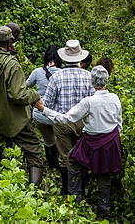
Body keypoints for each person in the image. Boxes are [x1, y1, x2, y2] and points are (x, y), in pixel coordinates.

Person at [36, 64, 123, 218]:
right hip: (111, 141)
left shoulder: (89, 102)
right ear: (107, 81)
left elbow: (66, 119)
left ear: (91, 82)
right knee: (104, 173)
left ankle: (76, 201)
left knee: (72, 159)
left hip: (92, 140)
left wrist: (44, 109)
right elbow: (119, 122)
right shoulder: (115, 97)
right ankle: (105, 209)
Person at [0, 25, 45, 185]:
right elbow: (17, 95)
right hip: (15, 119)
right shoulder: (12, 63)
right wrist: (35, 94)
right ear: (10, 41)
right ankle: (34, 193)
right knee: (34, 151)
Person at [42, 39, 94, 194]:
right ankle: (82, 188)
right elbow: (93, 102)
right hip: (83, 123)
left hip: (62, 122)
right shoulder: (88, 76)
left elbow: (48, 103)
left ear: (63, 58)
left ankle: (68, 189)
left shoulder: (56, 77)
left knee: (65, 157)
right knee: (82, 154)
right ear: (80, 57)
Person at [26, 45, 61, 168]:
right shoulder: (62, 73)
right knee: (59, 140)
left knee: (48, 140)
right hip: (57, 116)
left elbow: (27, 85)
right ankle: (60, 164)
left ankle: (52, 165)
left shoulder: (37, 72)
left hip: (40, 115)